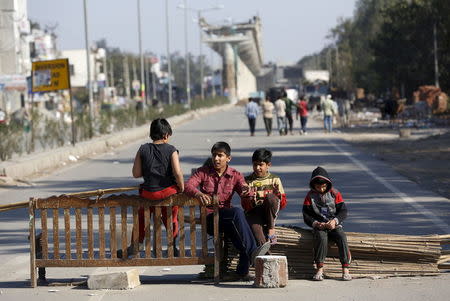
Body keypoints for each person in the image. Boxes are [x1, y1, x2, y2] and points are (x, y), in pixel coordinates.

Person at [185, 142, 270, 279]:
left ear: (228, 158)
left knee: (241, 235)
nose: (216, 159)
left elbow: (244, 191)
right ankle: (254, 251)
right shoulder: (203, 172)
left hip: (227, 219)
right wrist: (199, 194)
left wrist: (247, 192)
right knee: (237, 213)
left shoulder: (236, 175)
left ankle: (242, 271)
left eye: (220, 155)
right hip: (211, 219)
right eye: (214, 155)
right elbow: (188, 186)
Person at [128, 118, 184, 257]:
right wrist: (181, 187)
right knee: (171, 218)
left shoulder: (143, 149)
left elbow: (136, 174)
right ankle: (173, 245)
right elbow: (177, 172)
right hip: (168, 193)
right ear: (166, 135)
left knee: (142, 216)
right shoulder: (171, 150)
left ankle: (136, 245)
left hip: (148, 194)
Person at [302, 166, 351, 281]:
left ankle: (346, 269)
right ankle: (319, 269)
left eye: (324, 186)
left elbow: (343, 211)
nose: (321, 189)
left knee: (341, 236)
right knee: (321, 237)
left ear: (328, 184)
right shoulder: (309, 196)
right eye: (318, 187)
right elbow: (306, 215)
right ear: (313, 185)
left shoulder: (335, 193)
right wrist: (315, 223)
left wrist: (335, 221)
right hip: (319, 226)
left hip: (334, 224)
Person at [242, 148, 287, 247]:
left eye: (260, 165)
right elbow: (245, 206)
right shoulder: (247, 181)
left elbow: (282, 204)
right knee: (257, 233)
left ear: (268, 165)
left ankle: (271, 228)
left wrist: (278, 195)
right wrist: (248, 199)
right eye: (255, 165)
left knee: (271, 197)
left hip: (269, 215)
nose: (257, 168)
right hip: (254, 214)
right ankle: (267, 256)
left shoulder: (275, 179)